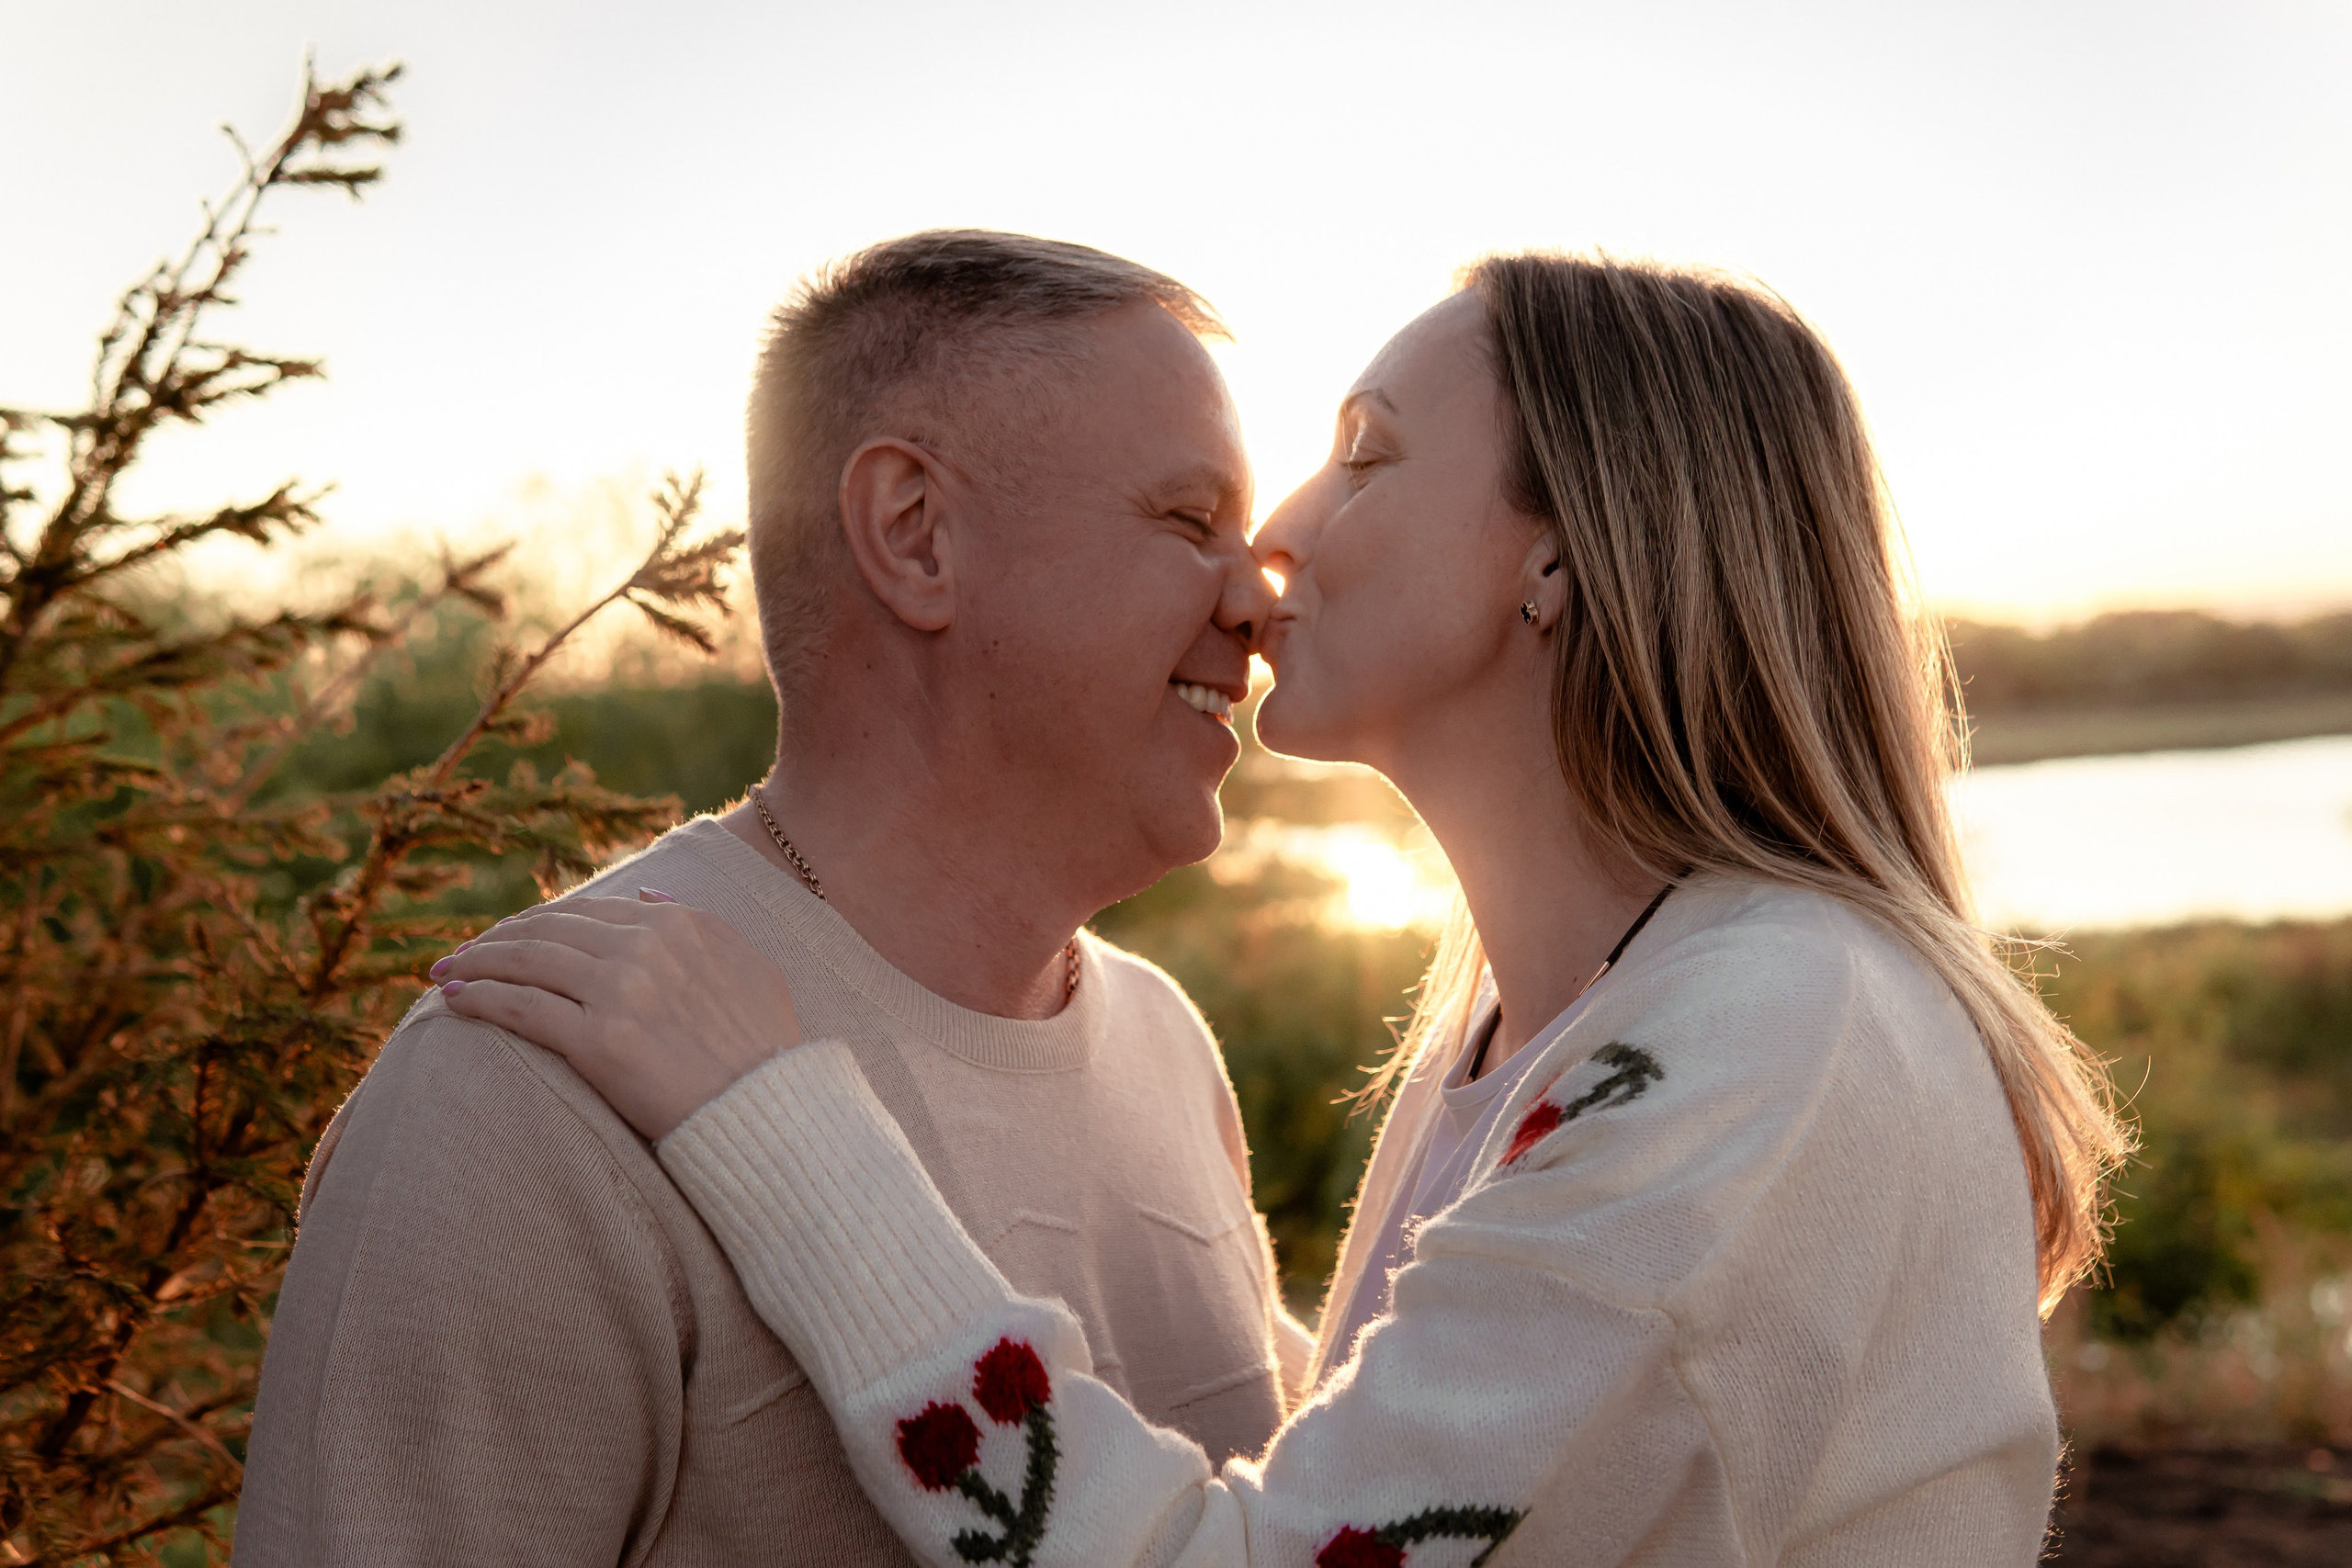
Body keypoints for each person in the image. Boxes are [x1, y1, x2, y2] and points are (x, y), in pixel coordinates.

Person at [438, 253, 2132, 1565]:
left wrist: (780, 1127)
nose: (1272, 548)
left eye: (1365, 457)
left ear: (1560, 556)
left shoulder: (1770, 1027)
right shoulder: (1525, 1031)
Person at [234, 231, 1312, 1565]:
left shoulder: (1166, 1049)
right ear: (915, 535)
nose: (1260, 602)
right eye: (1190, 522)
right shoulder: (525, 1096)